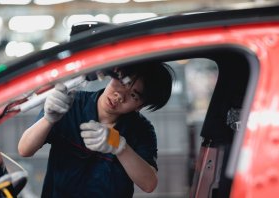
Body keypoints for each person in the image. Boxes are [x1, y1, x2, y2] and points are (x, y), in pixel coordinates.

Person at [18, 62, 174, 198]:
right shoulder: (71, 104)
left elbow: (149, 184)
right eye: (123, 83)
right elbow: (24, 149)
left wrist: (119, 146)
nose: (120, 95)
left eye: (133, 95)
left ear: (140, 106)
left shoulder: (141, 130)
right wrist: (48, 119)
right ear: (114, 75)